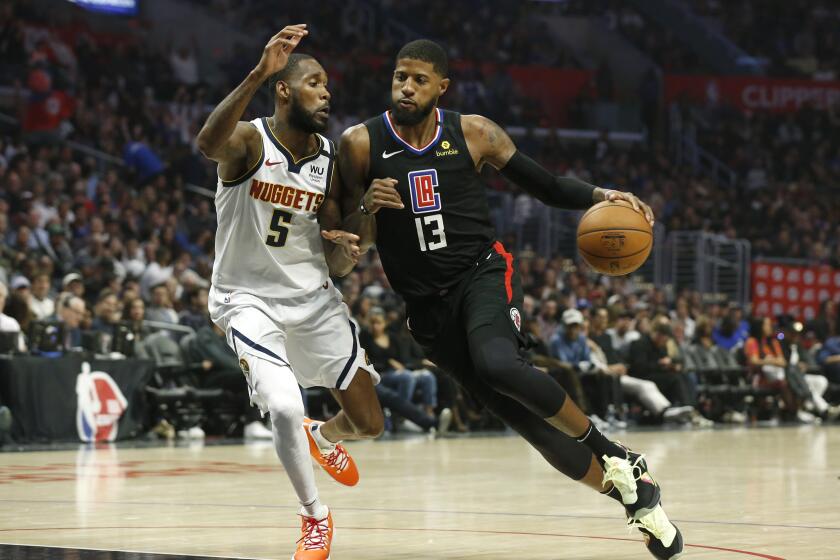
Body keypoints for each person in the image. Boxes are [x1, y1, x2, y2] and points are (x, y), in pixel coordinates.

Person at [338, 39, 682, 559]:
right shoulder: (360, 143)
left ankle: (614, 453)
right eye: (399, 77)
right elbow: (346, 240)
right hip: (426, 310)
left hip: (481, 274)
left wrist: (601, 195)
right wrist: (365, 209)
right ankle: (640, 502)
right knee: (531, 427)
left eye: (419, 79)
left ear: (441, 87)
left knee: (498, 363)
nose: (406, 87)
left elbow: (544, 185)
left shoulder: (474, 132)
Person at [196, 25, 383, 559]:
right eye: (314, 84)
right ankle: (314, 517)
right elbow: (207, 144)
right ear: (284, 88)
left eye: (329, 87)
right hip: (247, 300)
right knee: (282, 405)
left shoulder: (328, 157)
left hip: (313, 298)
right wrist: (259, 71)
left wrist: (349, 250)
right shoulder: (251, 141)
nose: (327, 94)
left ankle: (323, 437)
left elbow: (334, 255)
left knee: (370, 424)